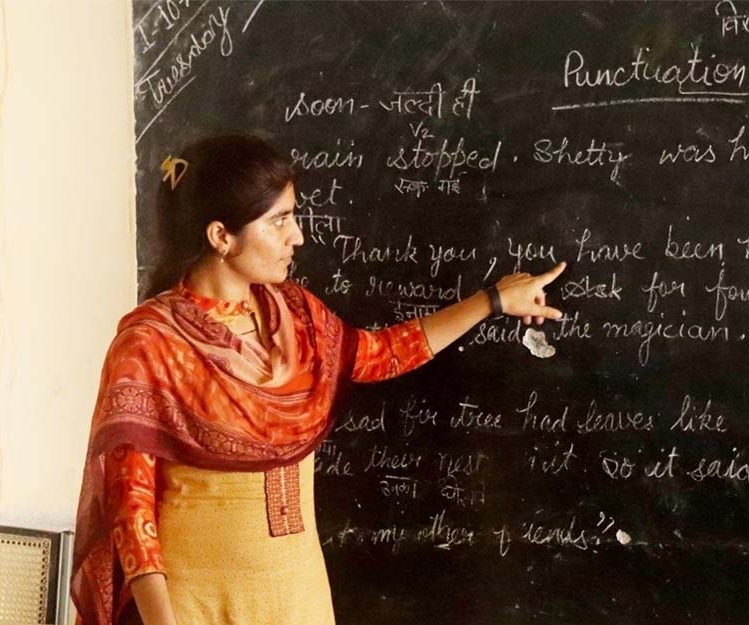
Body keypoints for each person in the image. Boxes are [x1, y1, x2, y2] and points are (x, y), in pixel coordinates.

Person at [71, 134, 566, 625]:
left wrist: (492, 301)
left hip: (298, 601)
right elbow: (131, 511)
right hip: (195, 609)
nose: (298, 236)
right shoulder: (151, 344)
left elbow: (382, 354)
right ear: (221, 236)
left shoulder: (296, 316)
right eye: (279, 220)